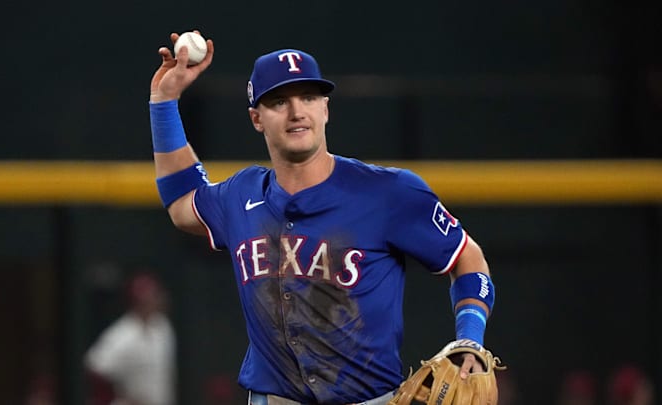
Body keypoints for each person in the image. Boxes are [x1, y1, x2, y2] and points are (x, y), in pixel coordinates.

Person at [149, 31, 496, 404]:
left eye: (309, 97)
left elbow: (467, 259)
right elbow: (182, 200)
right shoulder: (241, 194)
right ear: (256, 119)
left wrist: (470, 338)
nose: (297, 111)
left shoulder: (388, 192)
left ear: (325, 109)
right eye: (279, 101)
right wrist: (164, 101)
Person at [84, 271, 176, 405]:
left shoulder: (162, 326)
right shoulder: (123, 333)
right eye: (150, 297)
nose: (155, 300)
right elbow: (94, 366)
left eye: (155, 295)